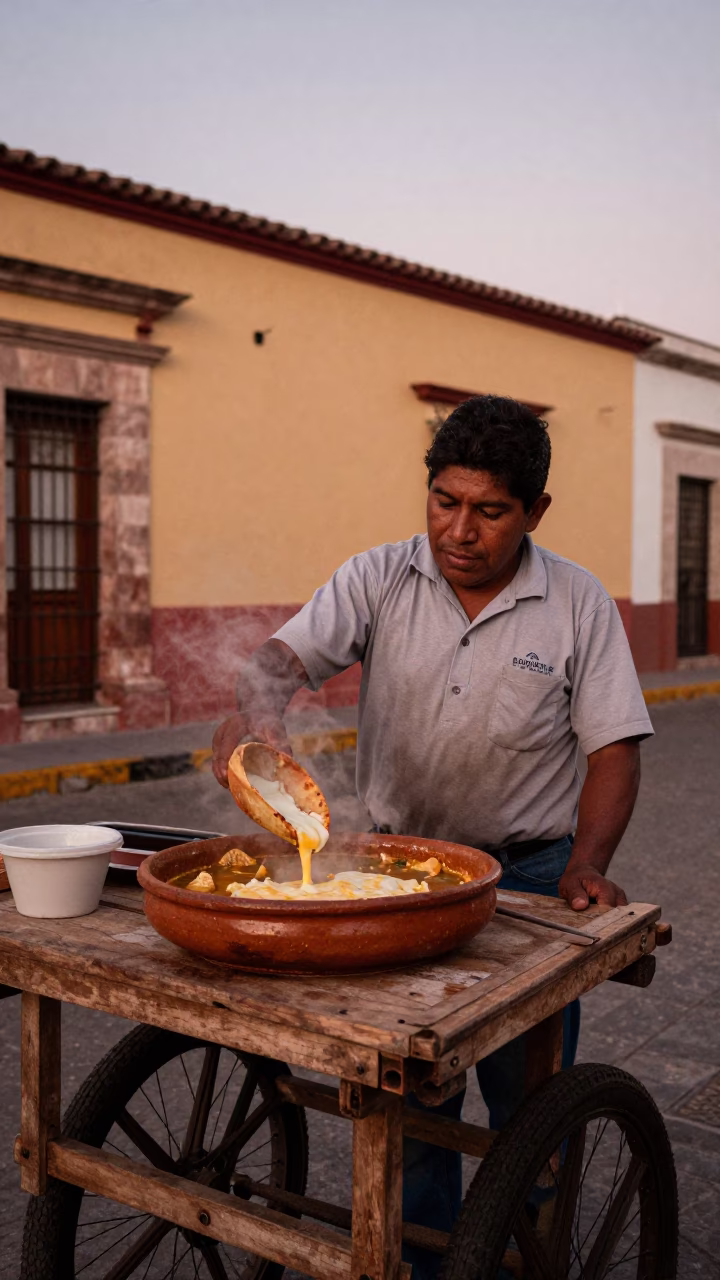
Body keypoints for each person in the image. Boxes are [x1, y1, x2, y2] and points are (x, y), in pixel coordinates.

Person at [212, 394, 653, 1279]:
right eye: (444, 501)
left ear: (534, 512)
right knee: (414, 1090)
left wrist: (588, 863)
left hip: (524, 874)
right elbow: (275, 665)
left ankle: (528, 1242)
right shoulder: (378, 577)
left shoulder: (576, 604)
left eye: (489, 511)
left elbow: (613, 749)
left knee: (526, 1103)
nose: (460, 529)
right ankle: (425, 1257)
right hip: (394, 877)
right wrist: (259, 720)